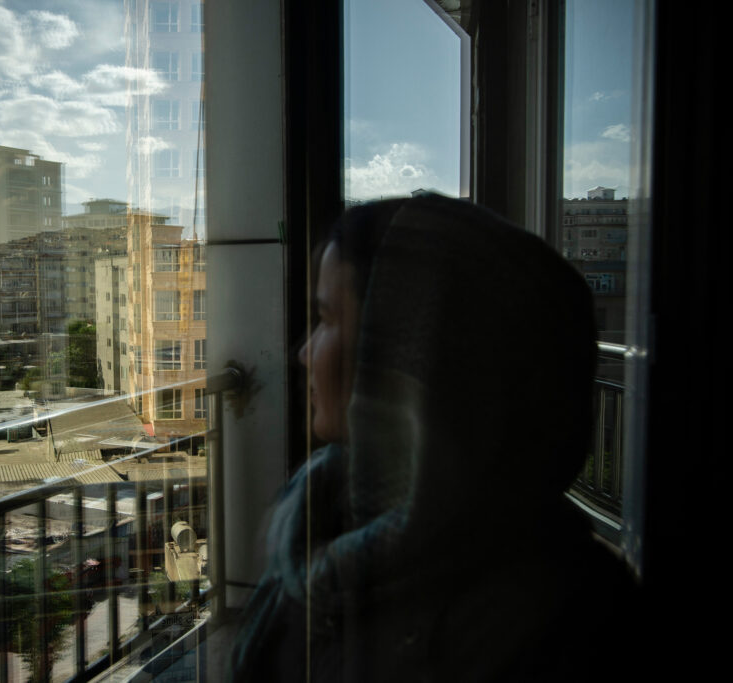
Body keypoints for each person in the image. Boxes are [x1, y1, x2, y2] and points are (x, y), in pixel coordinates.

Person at [228, 194, 640, 681]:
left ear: (410, 353)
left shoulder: (572, 619)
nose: (303, 353)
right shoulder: (327, 518)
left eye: (327, 320)